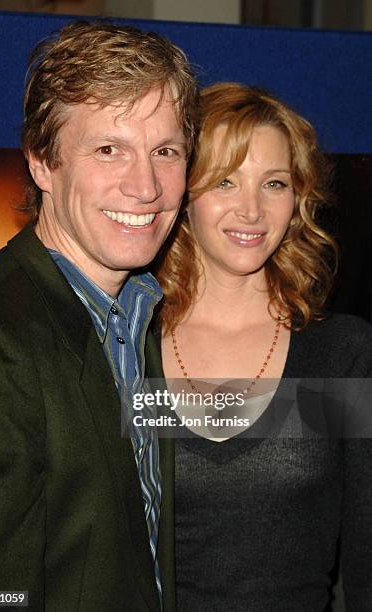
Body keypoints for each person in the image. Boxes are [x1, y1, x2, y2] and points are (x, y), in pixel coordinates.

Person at [0, 21, 197, 611]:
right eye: (108, 149)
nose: (145, 186)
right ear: (42, 163)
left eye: (165, 151)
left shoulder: (138, 316)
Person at [156, 83, 372, 610]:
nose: (251, 210)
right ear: (184, 194)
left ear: (297, 200)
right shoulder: (127, 345)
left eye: (273, 183)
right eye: (226, 181)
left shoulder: (339, 353)